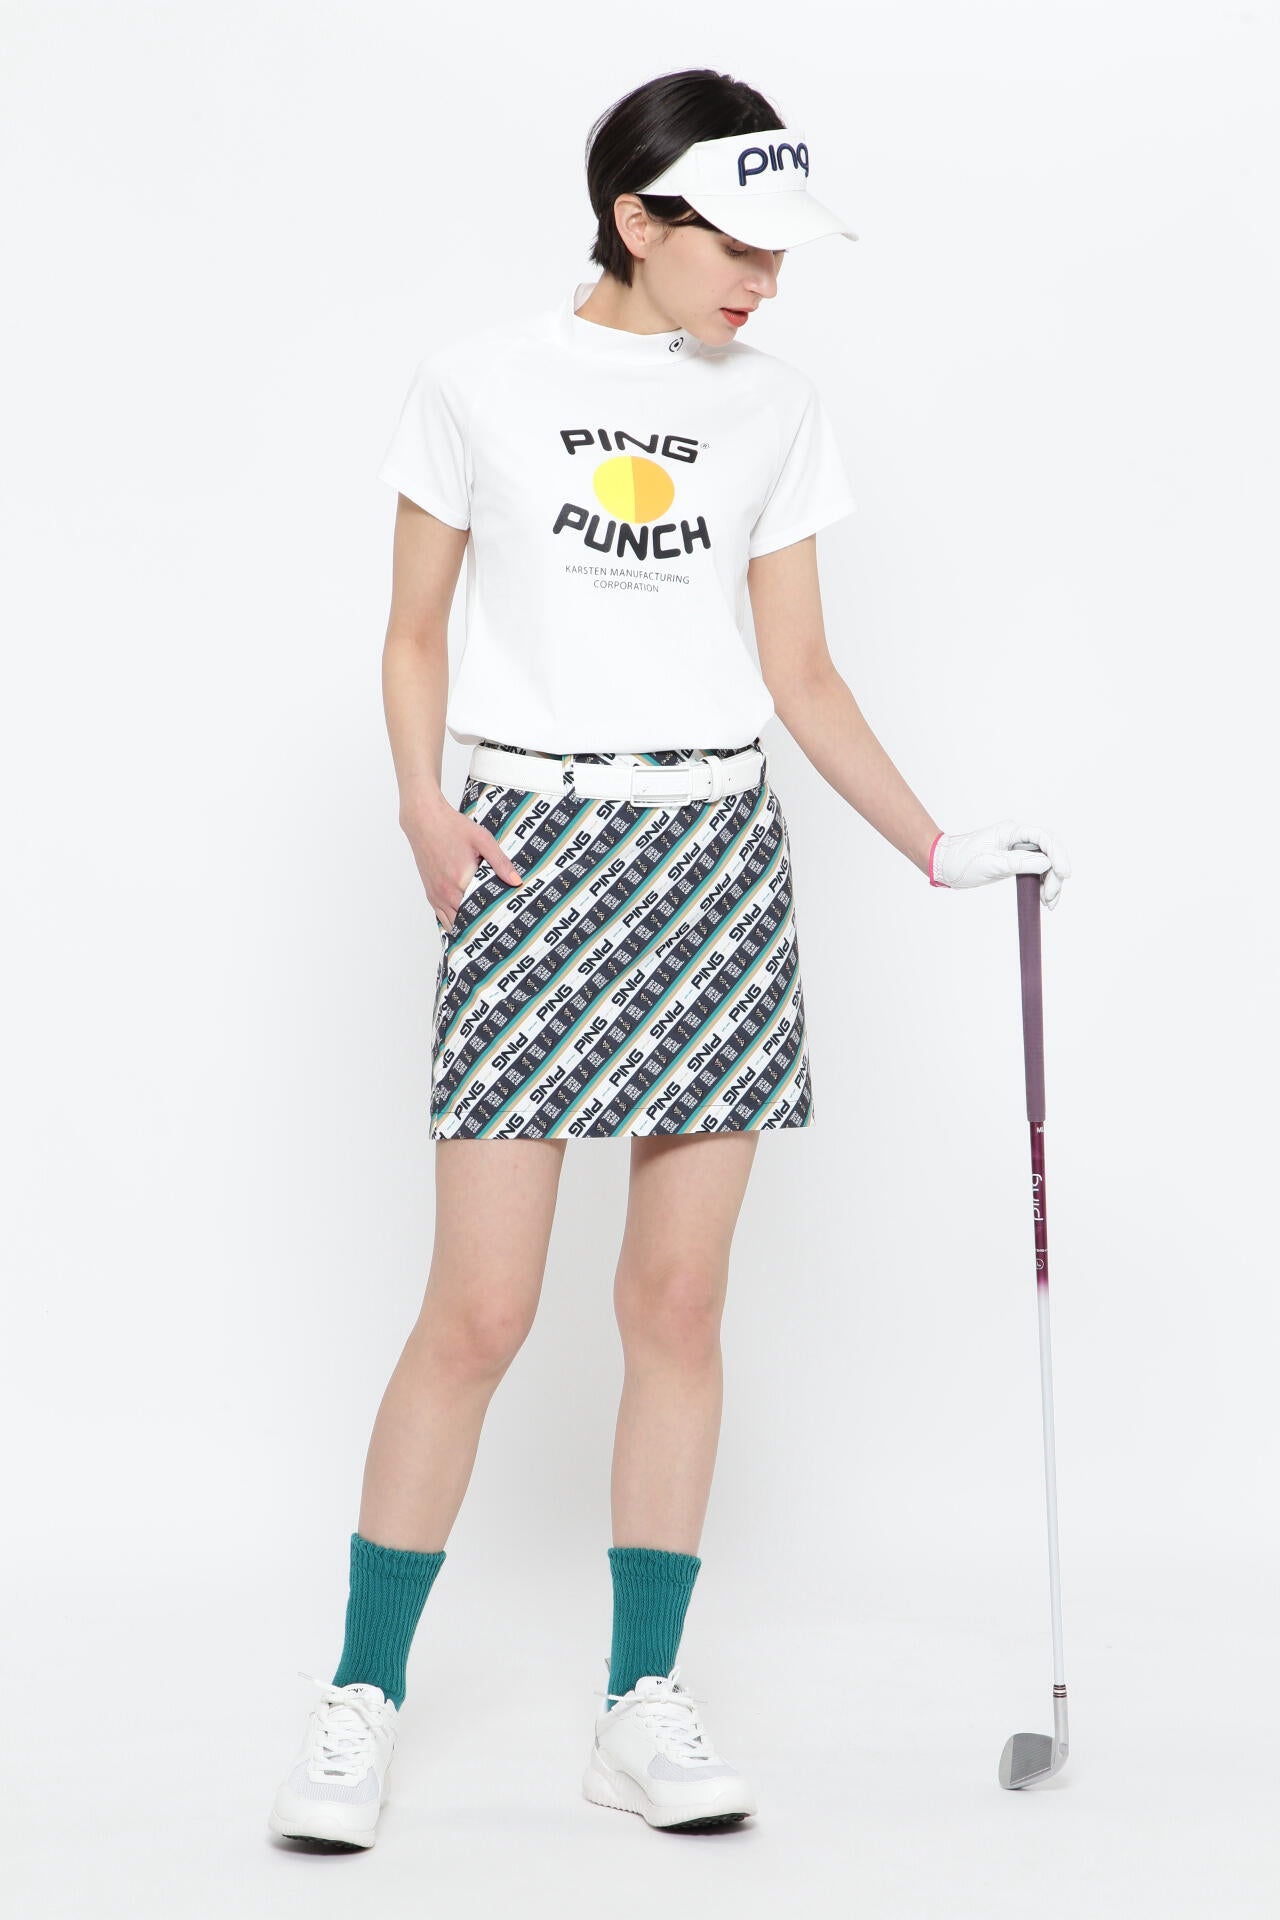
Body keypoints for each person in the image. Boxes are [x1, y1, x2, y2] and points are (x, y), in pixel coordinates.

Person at [267, 69, 1071, 1851]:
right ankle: (361, 1696)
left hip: (712, 851)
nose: (766, 282)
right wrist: (420, 804)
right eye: (741, 245)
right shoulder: (477, 381)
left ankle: (640, 1703)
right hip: (529, 851)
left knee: (680, 1305)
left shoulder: (776, 407)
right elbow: (412, 632)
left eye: (785, 254)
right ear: (638, 218)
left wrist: (939, 846)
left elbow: (803, 674)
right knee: (481, 1312)